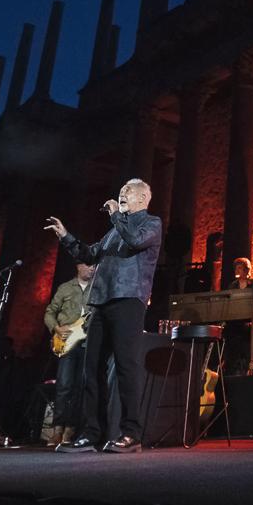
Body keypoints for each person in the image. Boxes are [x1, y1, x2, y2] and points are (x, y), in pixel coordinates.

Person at [45, 179, 162, 453]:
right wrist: (65, 236)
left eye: (127, 192)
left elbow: (135, 240)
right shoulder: (113, 232)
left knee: (125, 367)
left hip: (128, 300)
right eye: (120, 191)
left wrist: (116, 216)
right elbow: (88, 253)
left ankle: (131, 433)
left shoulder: (151, 224)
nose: (121, 195)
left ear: (143, 198)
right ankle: (91, 433)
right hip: (101, 302)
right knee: (91, 369)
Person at [42, 262, 96, 447]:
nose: (92, 269)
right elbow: (50, 312)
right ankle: (57, 430)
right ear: (79, 266)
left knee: (81, 387)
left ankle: (71, 429)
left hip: (88, 343)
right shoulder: (65, 288)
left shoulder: (98, 288)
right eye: (89, 265)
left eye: (94, 266)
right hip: (67, 343)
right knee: (64, 385)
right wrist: (56, 328)